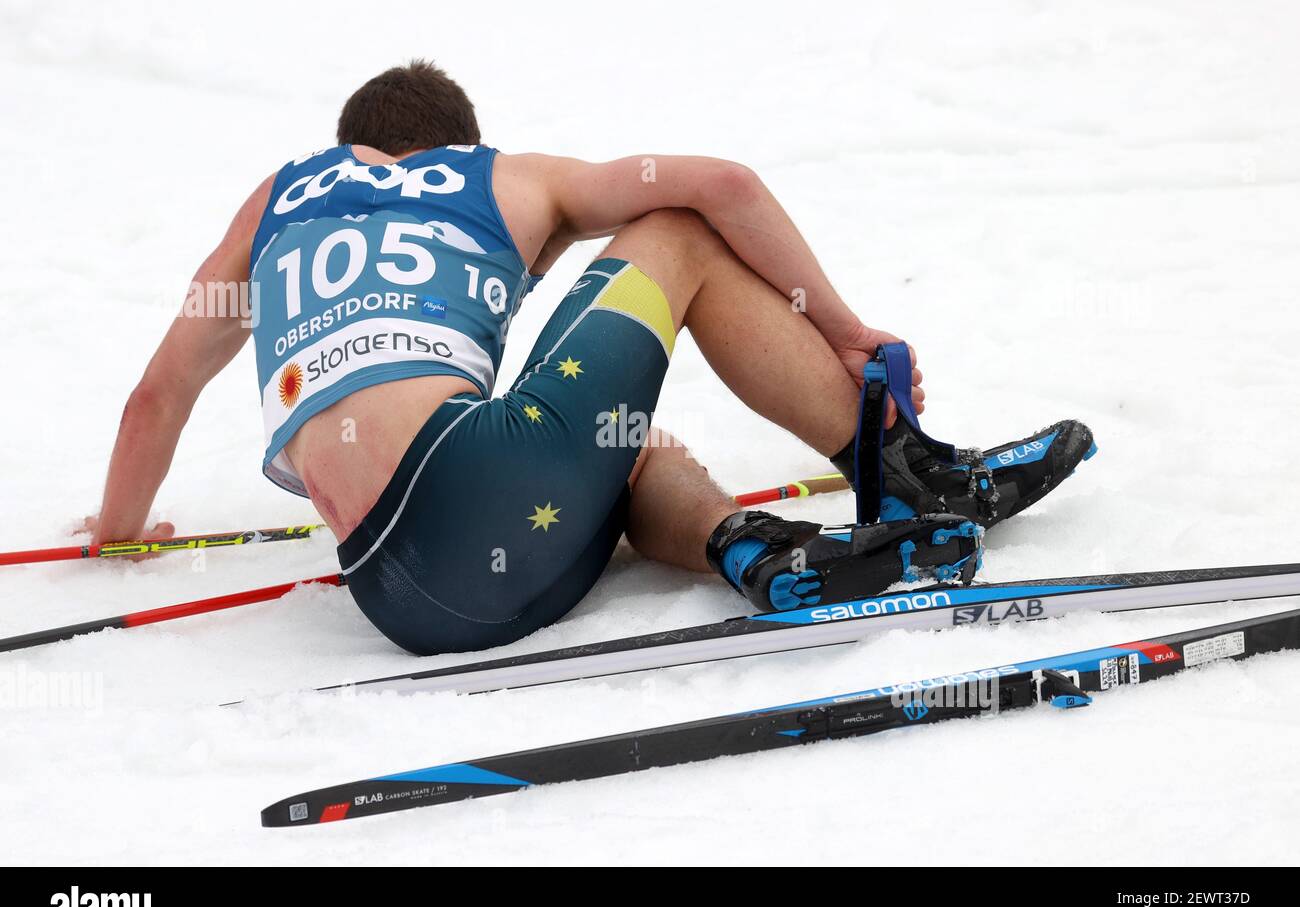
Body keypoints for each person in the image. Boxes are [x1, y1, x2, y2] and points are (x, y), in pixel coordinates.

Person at [84, 60, 1092, 655]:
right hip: (474, 485)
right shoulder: (505, 179)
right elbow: (724, 183)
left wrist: (119, 536)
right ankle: (910, 472)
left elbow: (151, 399)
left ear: (349, 146)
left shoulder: (275, 204)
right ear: (457, 146)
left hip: (405, 599)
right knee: (679, 229)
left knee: (617, 438)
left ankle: (748, 548)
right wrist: (840, 327)